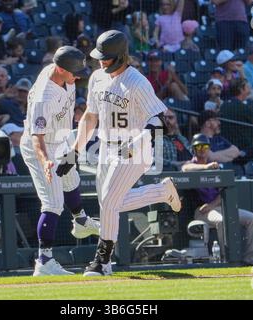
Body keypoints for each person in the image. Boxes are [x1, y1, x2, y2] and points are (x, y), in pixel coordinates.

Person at [56, 30, 183, 276]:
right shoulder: (96, 78)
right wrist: (74, 152)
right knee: (109, 204)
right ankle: (161, 191)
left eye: (107, 57)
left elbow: (159, 123)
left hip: (135, 150)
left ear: (122, 55)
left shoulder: (137, 81)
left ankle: (102, 261)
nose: (102, 61)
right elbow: (90, 117)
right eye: (99, 56)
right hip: (107, 147)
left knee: (111, 202)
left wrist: (135, 143)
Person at [20, 46, 101, 276]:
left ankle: (81, 221)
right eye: (74, 71)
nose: (78, 76)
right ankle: (44, 261)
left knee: (71, 179)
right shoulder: (44, 95)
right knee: (53, 203)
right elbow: (37, 137)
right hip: (41, 147)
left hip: (60, 139)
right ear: (60, 68)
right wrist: (45, 160)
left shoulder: (61, 73)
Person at [182, 133, 253, 266]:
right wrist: (205, 168)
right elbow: (185, 168)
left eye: (205, 146)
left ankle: (250, 258)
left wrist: (212, 204)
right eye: (198, 147)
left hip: (218, 207)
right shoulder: (192, 165)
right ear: (194, 149)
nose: (202, 149)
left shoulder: (215, 166)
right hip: (201, 211)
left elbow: (223, 192)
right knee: (221, 221)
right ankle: (225, 258)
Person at [220, 78, 253, 161]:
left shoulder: (225, 104)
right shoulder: (241, 106)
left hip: (229, 146)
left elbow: (245, 117)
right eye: (247, 87)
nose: (250, 89)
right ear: (241, 89)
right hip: (244, 149)